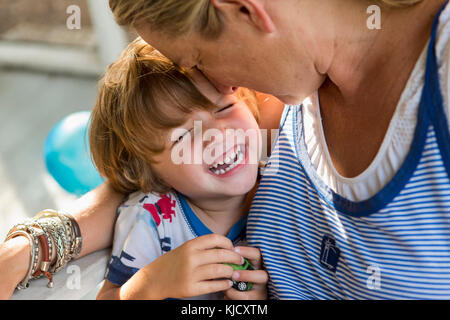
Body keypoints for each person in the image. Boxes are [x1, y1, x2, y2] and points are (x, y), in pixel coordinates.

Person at [1, 0, 449, 299]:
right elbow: (149, 177)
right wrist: (33, 245)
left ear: (245, 10)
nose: (222, 85)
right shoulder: (287, 87)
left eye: (196, 59)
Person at [90, 37, 267, 299]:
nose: (216, 134)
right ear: (150, 171)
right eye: (183, 136)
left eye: (225, 107)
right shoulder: (150, 219)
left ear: (248, 104)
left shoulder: (286, 188)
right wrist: (151, 284)